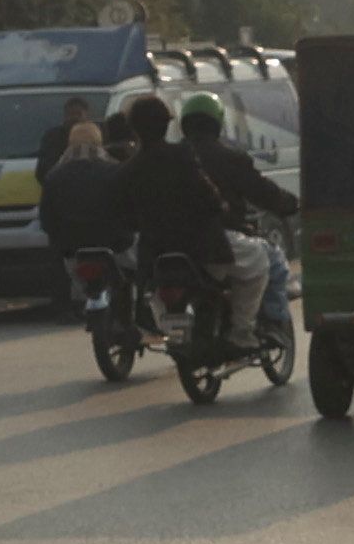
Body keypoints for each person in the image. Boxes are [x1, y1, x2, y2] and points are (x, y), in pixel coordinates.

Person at [127, 93, 297, 360]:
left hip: (156, 251)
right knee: (260, 263)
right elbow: (218, 196)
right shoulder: (191, 157)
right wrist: (222, 208)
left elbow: (124, 208)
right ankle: (241, 332)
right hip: (206, 244)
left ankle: (181, 332)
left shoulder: (132, 166)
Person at [34, 96, 134, 308]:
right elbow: (128, 209)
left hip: (70, 245)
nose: (73, 117)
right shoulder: (115, 171)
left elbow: (46, 218)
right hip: (111, 242)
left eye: (77, 113)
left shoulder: (55, 176)